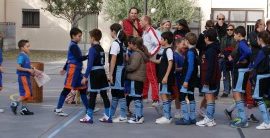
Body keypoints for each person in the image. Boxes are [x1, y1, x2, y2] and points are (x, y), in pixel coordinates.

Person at [54, 28, 89, 117]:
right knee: (67, 89)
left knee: (83, 88)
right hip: (73, 70)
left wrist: (64, 68)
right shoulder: (73, 46)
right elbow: (78, 58)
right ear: (73, 36)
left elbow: (69, 59)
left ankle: (88, 108)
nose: (80, 38)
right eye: (79, 36)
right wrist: (89, 56)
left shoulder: (74, 45)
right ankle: (58, 109)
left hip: (77, 70)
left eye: (81, 36)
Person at [80, 29, 111, 124]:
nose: (89, 39)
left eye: (90, 37)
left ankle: (89, 116)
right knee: (104, 94)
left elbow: (90, 64)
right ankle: (108, 115)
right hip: (101, 72)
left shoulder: (92, 49)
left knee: (92, 95)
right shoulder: (101, 48)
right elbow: (91, 57)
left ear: (93, 38)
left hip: (94, 73)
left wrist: (85, 76)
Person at [228, 26, 252, 128]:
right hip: (243, 70)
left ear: (239, 34)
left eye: (234, 34)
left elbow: (248, 52)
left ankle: (243, 119)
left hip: (240, 71)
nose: (233, 35)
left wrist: (239, 59)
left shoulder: (242, 43)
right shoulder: (244, 43)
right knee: (240, 94)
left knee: (236, 93)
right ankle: (241, 116)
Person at [196, 28, 220, 127]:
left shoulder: (210, 50)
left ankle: (209, 119)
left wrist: (206, 80)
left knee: (209, 98)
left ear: (206, 38)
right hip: (212, 78)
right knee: (210, 98)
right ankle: (210, 118)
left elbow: (210, 67)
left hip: (209, 78)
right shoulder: (213, 49)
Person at [175, 33, 199, 125]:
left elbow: (191, 67)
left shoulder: (190, 52)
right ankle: (192, 117)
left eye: (185, 40)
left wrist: (186, 80)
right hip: (192, 79)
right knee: (191, 97)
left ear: (187, 41)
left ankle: (186, 118)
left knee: (182, 97)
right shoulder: (194, 51)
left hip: (187, 79)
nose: (184, 42)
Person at [151, 31, 174, 124]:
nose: (160, 40)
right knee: (166, 95)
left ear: (166, 40)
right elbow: (159, 61)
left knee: (164, 95)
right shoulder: (165, 50)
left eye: (161, 39)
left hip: (166, 78)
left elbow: (170, 62)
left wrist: (166, 76)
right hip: (163, 77)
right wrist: (150, 59)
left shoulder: (169, 50)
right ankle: (168, 115)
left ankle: (166, 116)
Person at [249, 31, 270, 129]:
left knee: (259, 98)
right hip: (268, 76)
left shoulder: (262, 51)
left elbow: (255, 64)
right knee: (265, 98)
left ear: (260, 39)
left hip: (261, 76)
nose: (256, 40)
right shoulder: (268, 49)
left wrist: (251, 67)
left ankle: (266, 122)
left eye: (257, 39)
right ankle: (268, 120)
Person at [10, 40, 38, 115]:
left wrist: (32, 70)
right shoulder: (21, 56)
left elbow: (27, 66)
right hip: (23, 77)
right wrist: (28, 70)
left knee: (25, 94)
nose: (29, 48)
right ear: (22, 48)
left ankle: (23, 109)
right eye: (27, 46)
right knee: (27, 93)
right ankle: (14, 103)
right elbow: (18, 67)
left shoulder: (26, 56)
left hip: (26, 77)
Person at [126, 37, 149, 124]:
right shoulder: (141, 53)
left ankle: (138, 117)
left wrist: (126, 67)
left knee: (136, 98)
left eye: (131, 43)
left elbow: (133, 66)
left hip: (136, 78)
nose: (130, 45)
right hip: (139, 79)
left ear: (135, 45)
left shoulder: (136, 54)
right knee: (138, 97)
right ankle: (139, 115)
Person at [108, 23, 127, 123]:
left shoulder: (116, 43)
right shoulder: (122, 43)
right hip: (121, 68)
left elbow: (113, 60)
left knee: (119, 92)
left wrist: (110, 74)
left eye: (110, 31)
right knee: (115, 92)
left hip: (118, 70)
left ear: (114, 32)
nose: (110, 33)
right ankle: (110, 115)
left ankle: (123, 116)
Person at [140, 15, 161, 107]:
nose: (140, 22)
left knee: (152, 78)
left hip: (150, 59)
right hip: (145, 58)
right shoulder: (145, 32)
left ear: (146, 22)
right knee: (145, 78)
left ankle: (156, 99)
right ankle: (144, 96)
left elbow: (158, 44)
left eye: (141, 21)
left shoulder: (151, 31)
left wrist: (151, 54)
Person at [219, 24, 237, 97]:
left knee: (233, 75)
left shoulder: (236, 38)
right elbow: (221, 48)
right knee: (225, 75)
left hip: (233, 58)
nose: (229, 31)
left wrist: (231, 56)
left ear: (233, 30)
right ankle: (226, 91)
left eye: (231, 29)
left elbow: (237, 48)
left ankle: (234, 91)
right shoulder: (223, 38)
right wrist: (225, 55)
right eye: (228, 30)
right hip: (225, 58)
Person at [172, 38, 188, 119]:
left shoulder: (182, 54)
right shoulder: (175, 55)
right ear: (177, 44)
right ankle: (178, 112)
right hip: (176, 78)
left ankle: (162, 105)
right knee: (177, 96)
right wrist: (184, 68)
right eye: (183, 44)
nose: (184, 46)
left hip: (181, 78)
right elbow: (175, 68)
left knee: (178, 96)